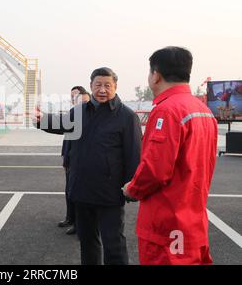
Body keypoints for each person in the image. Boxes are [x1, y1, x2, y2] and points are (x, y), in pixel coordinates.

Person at [34, 68, 142, 265]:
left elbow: (134, 155)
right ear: (91, 86)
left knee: (114, 243)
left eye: (107, 85)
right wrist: (41, 121)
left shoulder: (127, 116)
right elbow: (61, 125)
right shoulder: (78, 111)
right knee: (88, 242)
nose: (102, 90)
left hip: (110, 193)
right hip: (81, 190)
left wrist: (132, 187)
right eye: (98, 85)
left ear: (115, 87)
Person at [123, 47, 218, 265]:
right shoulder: (202, 110)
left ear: (156, 75)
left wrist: (132, 189)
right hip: (194, 222)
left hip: (167, 225)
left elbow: (155, 170)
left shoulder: (167, 110)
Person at [55, 86, 91, 235]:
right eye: (71, 96)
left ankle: (80, 225)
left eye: (75, 95)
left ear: (84, 96)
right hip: (70, 156)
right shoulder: (74, 111)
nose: (72, 99)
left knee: (79, 193)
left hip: (82, 160)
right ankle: (70, 218)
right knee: (69, 190)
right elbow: (67, 137)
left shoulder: (87, 111)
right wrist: (65, 157)